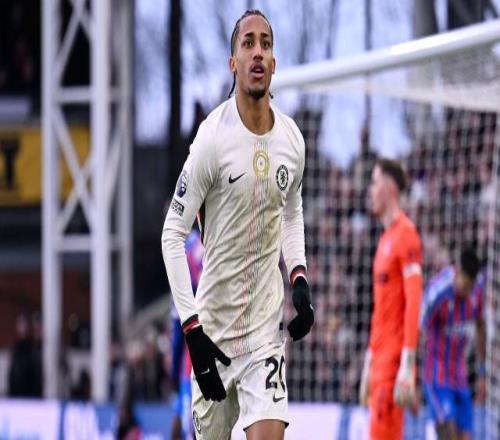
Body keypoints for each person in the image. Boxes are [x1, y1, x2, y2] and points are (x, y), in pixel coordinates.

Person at [162, 9, 314, 440]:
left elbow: (291, 210)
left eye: (265, 43)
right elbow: (172, 235)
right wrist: (192, 332)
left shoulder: (292, 140)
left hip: (265, 335)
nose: (258, 52)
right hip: (212, 336)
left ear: (274, 62)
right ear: (234, 63)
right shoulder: (211, 138)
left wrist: (298, 276)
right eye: (248, 43)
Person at [359, 158, 423, 440]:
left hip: (394, 366)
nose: (370, 190)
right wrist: (369, 361)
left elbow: (414, 300)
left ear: (389, 188)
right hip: (379, 364)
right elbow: (380, 310)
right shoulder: (385, 240)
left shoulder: (407, 235)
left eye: (374, 182)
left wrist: (408, 364)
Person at [420, 249, 485, 440]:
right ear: (458, 272)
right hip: (436, 373)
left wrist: (482, 372)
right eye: (465, 285)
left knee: (466, 436)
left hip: (459, 374)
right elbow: (418, 328)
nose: (467, 291)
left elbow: (481, 326)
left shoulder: (477, 293)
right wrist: (411, 376)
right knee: (448, 434)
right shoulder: (438, 292)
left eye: (470, 286)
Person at [171, 228, 204, 440]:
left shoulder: (180, 247)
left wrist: (173, 373)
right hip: (218, 347)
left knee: (190, 424)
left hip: (192, 360)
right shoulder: (209, 240)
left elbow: (176, 326)